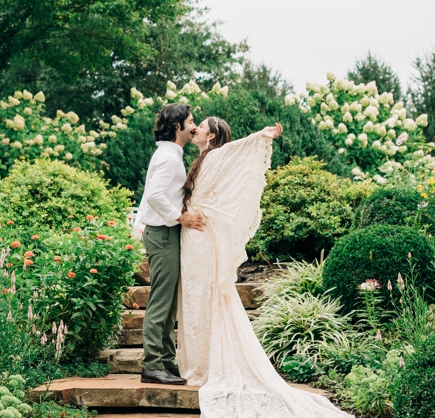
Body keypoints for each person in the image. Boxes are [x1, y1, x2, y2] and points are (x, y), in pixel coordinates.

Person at [177, 117, 351, 417]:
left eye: (201, 125)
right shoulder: (204, 158)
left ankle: (204, 367)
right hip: (193, 237)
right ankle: (198, 363)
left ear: (213, 134)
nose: (196, 128)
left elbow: (239, 148)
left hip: (202, 239)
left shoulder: (218, 153)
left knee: (203, 299)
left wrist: (262, 135)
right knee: (196, 299)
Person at [134, 102, 206, 385]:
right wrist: (181, 217)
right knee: (161, 303)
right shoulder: (168, 157)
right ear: (177, 127)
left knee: (169, 305)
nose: (194, 125)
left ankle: (166, 361)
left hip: (166, 234)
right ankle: (152, 366)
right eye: (190, 121)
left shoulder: (171, 153)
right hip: (162, 234)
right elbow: (153, 195)